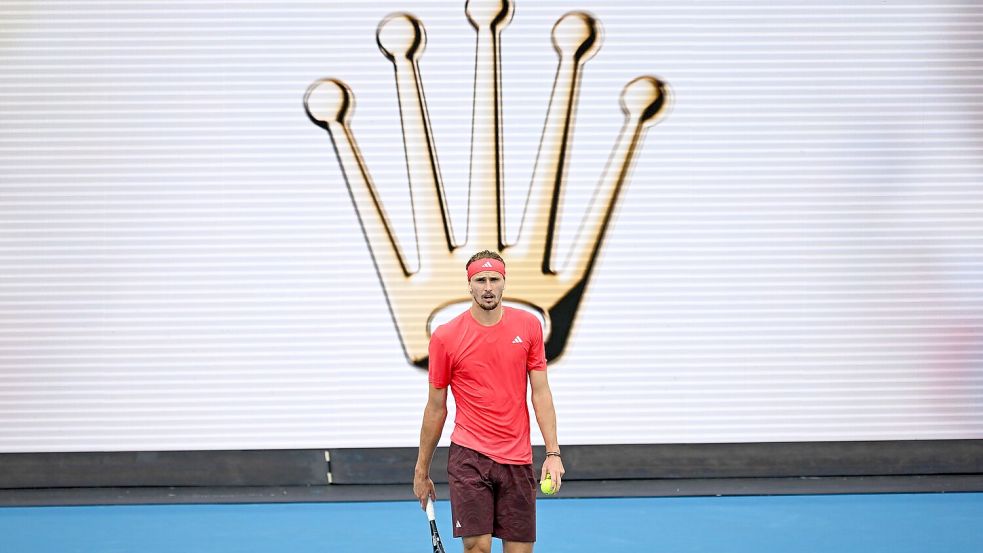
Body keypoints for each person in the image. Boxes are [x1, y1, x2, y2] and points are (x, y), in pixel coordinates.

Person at [413, 250, 565, 553]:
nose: (487, 287)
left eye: (493, 279)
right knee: (477, 547)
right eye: (480, 280)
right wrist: (422, 470)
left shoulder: (529, 326)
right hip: (469, 456)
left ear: (503, 282)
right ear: (469, 285)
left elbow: (541, 392)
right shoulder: (446, 337)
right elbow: (436, 408)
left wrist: (553, 453)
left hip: (518, 458)